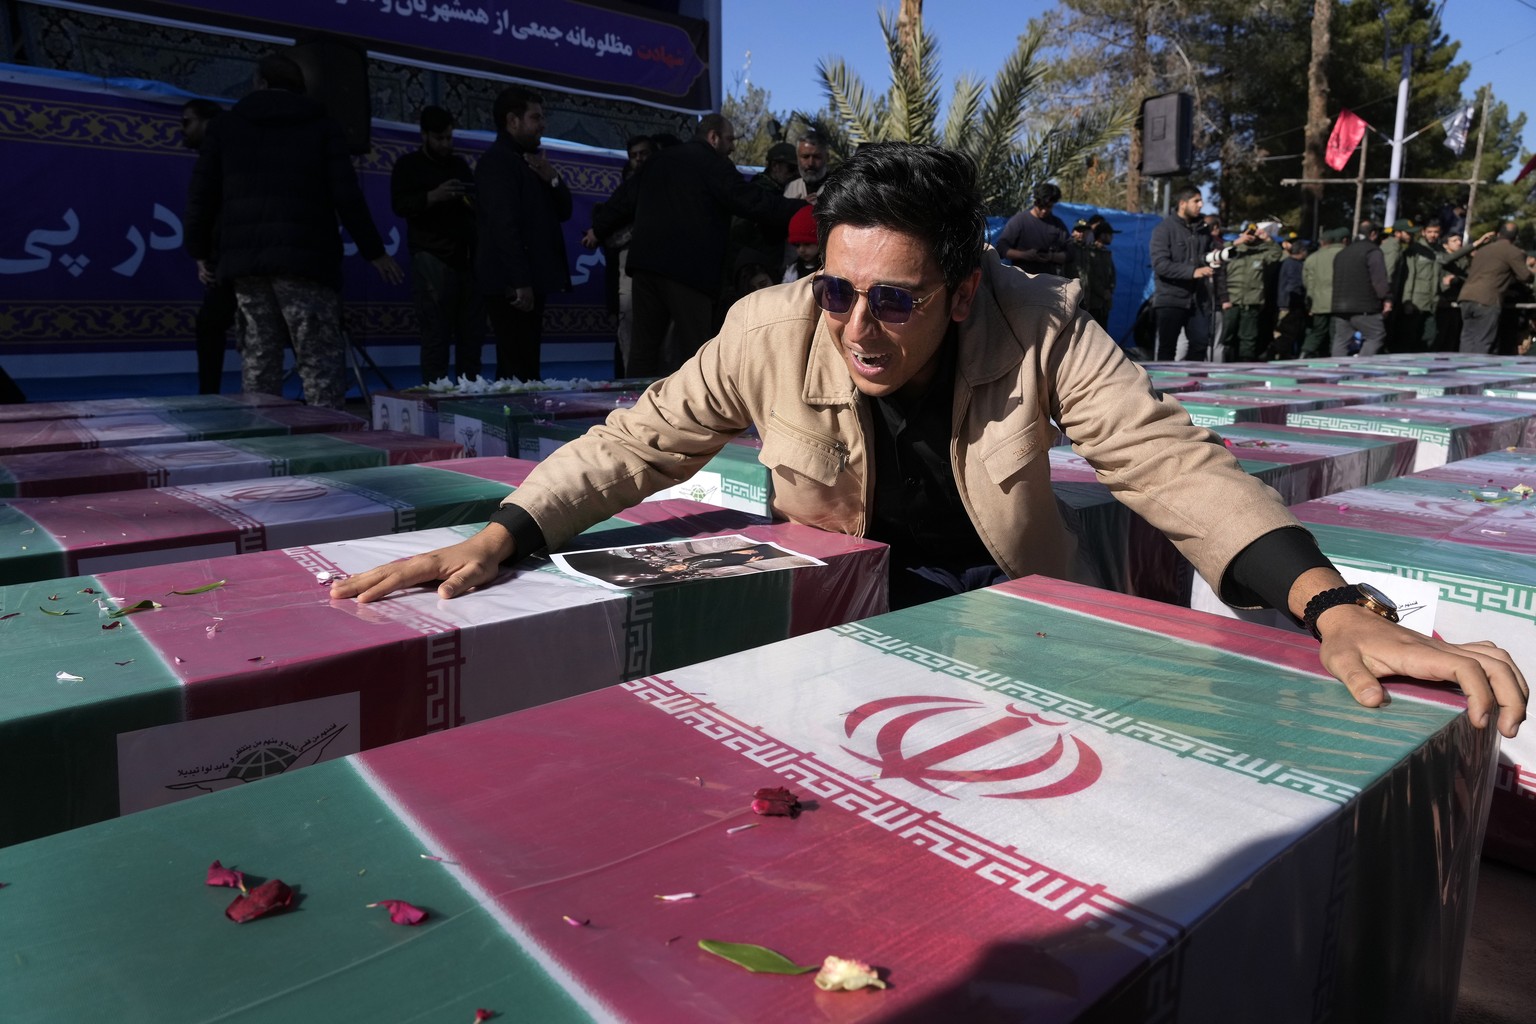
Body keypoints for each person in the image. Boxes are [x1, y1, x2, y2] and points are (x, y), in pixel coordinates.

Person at [333, 142, 1525, 738]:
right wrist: (502, 531)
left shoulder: (1043, 325)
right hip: (833, 604)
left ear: (963, 289)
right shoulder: (771, 325)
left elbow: (1168, 465)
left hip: (1002, 608)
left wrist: (1334, 605)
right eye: (839, 289)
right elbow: (639, 440)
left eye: (894, 299)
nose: (857, 326)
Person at [184, 53, 403, 409]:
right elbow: (346, 195)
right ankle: (329, 445)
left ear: (260, 83)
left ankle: (265, 448)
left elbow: (202, 195)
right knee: (318, 365)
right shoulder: (322, 127)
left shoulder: (227, 127)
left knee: (259, 362)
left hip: (248, 265)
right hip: (306, 261)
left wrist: (198, 251)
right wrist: (374, 251)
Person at [623, 113, 802, 376]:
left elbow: (623, 200)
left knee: (643, 350)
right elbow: (749, 201)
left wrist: (597, 227)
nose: (732, 147)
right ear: (713, 137)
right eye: (729, 139)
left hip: (645, 268)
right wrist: (801, 208)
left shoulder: (659, 160)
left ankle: (633, 410)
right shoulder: (713, 164)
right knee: (696, 351)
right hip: (687, 272)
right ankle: (696, 414)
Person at [476, 86, 571, 382]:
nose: (542, 125)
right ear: (512, 121)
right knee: (517, 369)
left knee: (525, 367)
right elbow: (504, 225)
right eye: (535, 117)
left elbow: (564, 210)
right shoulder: (498, 162)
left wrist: (551, 177)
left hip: (527, 281)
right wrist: (520, 281)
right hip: (512, 287)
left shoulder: (530, 163)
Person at [390, 105, 482, 383]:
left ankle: (471, 396)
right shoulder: (409, 166)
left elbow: (475, 205)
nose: (445, 144)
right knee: (435, 334)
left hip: (464, 259)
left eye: (449, 138)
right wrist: (434, 196)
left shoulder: (458, 166)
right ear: (425, 135)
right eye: (439, 138)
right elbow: (401, 205)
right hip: (430, 258)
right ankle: (434, 399)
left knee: (470, 336)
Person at [179, 97, 238, 395]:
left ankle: (210, 397)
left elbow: (201, 205)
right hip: (250, 252)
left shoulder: (216, 150)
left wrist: (200, 253)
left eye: (188, 121)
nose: (183, 129)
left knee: (212, 326)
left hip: (232, 256)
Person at [585, 134, 656, 375]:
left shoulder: (660, 185)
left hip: (656, 273)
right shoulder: (626, 194)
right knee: (629, 335)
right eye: (634, 156)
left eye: (643, 154)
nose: (639, 160)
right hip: (628, 273)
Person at [1150, 186, 1217, 361]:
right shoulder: (1164, 229)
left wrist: (1213, 261)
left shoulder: (1203, 230)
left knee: (1201, 343)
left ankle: (1192, 384)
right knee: (1167, 348)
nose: (1201, 205)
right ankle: (1164, 386)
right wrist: (1192, 272)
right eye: (1196, 201)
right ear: (1182, 203)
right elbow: (1160, 264)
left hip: (1198, 300)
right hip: (1171, 298)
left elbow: (1207, 254)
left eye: (1201, 201)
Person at [1456, 222, 1534, 354]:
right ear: (1515, 238)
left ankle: (1461, 369)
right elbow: (1525, 276)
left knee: (1467, 338)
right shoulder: (1513, 252)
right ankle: (1476, 373)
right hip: (1487, 301)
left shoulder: (1482, 250)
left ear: (1498, 234)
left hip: (1466, 297)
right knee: (1483, 341)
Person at [1329, 223, 1391, 357]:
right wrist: (1386, 298)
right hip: (1365, 306)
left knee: (1341, 340)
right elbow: (1379, 279)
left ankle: (1335, 370)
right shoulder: (1372, 251)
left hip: (1340, 306)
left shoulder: (1342, 253)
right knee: (1376, 335)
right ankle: (1362, 367)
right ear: (1373, 234)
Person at [997, 182, 1073, 278]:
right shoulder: (1019, 221)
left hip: (1050, 282)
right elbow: (1001, 248)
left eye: (1048, 207)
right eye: (1041, 206)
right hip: (1022, 281)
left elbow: (1070, 253)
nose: (1044, 210)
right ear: (1035, 202)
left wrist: (1051, 256)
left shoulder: (1057, 225)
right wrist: (1024, 255)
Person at [1301, 227, 1346, 357]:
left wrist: (1309, 302)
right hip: (1340, 303)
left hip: (1318, 302)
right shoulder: (1345, 254)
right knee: (1336, 335)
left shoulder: (1313, 257)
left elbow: (1307, 282)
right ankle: (1335, 361)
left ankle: (1304, 354)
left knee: (1317, 331)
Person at [784, 132, 830, 204]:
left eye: (817, 157)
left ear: (827, 158)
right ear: (797, 158)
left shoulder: (839, 189)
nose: (810, 163)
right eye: (805, 157)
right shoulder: (791, 188)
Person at [782, 205, 821, 282]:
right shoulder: (793, 271)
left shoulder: (830, 267)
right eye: (797, 245)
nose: (801, 250)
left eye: (807, 244)